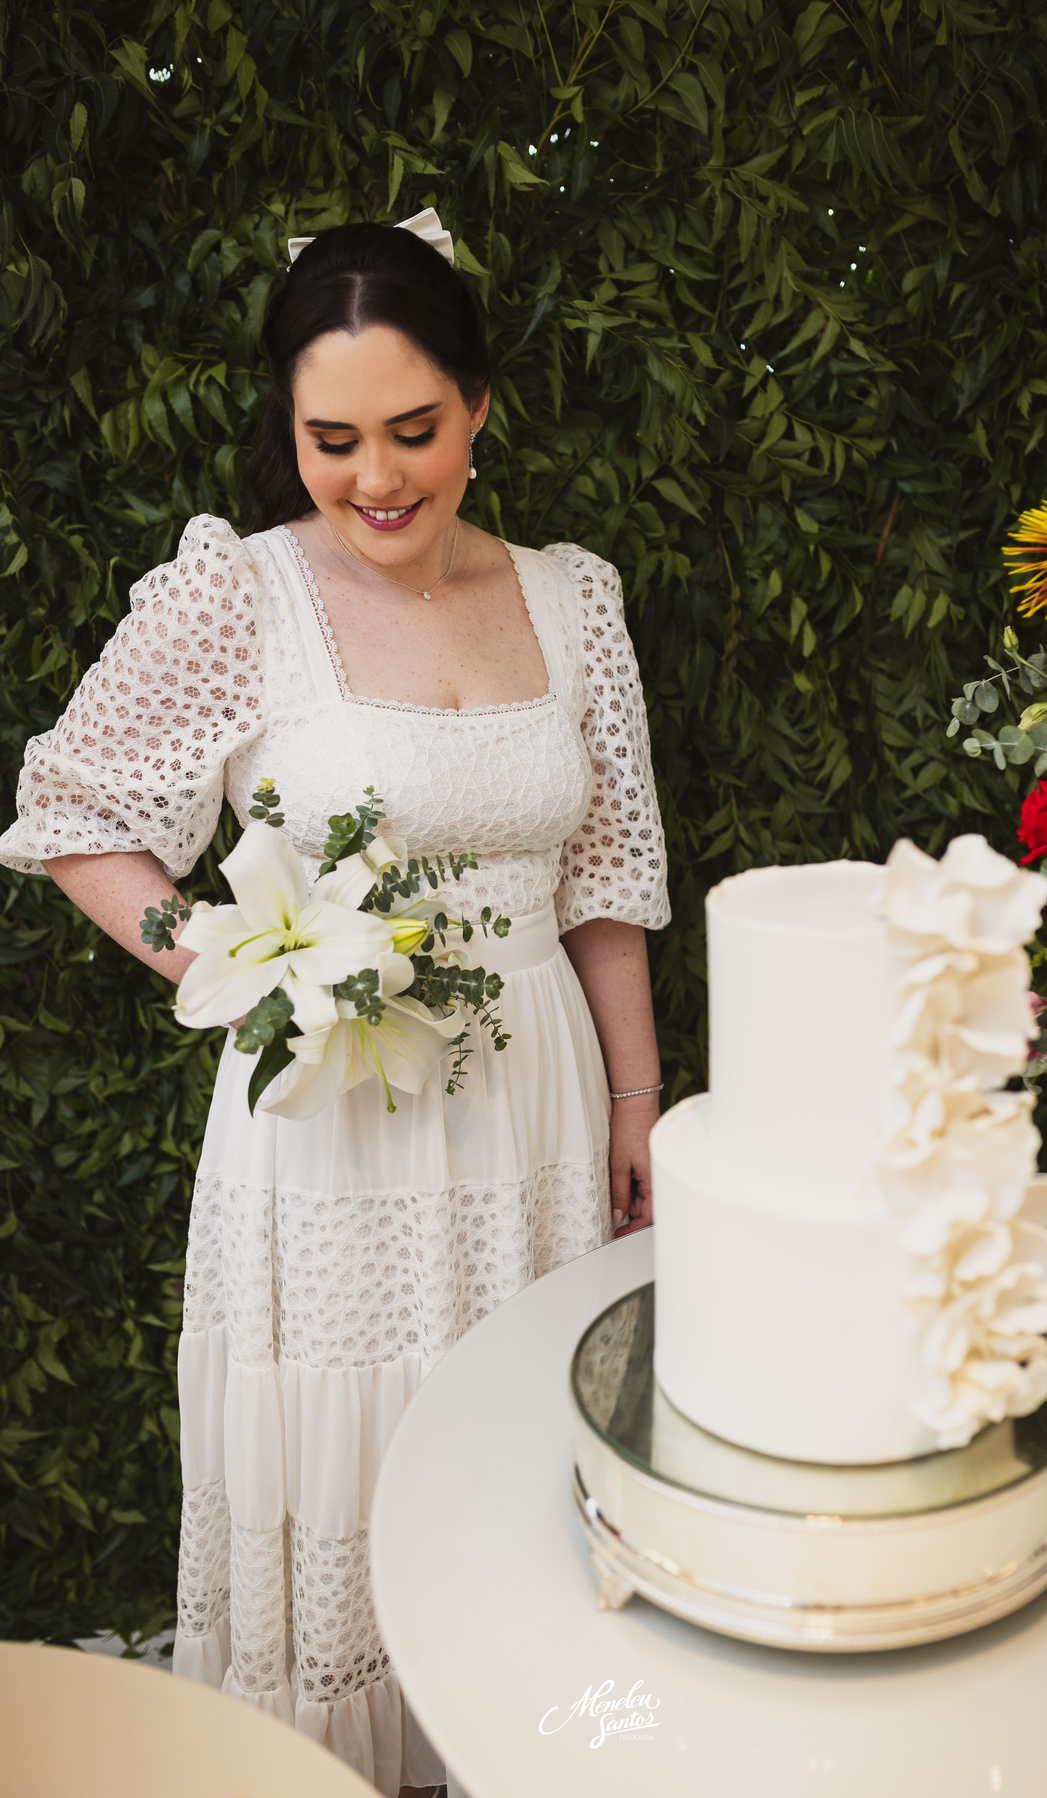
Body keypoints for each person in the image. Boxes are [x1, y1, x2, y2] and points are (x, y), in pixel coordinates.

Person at [0, 215, 669, 1797]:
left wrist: (641, 1102)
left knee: (527, 1459)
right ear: (290, 430)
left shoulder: (572, 599)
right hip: (332, 1125)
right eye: (333, 439)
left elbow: (604, 875)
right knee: (354, 1459)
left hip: (541, 1110)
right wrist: (244, 965)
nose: (376, 477)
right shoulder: (238, 595)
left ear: (481, 406)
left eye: (415, 431)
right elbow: (69, 812)